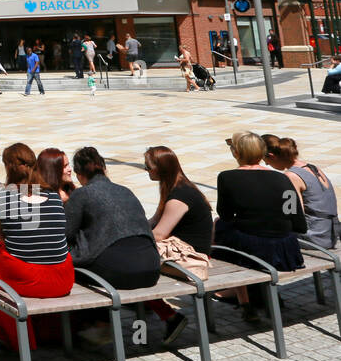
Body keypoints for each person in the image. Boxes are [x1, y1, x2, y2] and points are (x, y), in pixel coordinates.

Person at [0, 142, 75, 351]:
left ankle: (11, 336)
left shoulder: (2, 197)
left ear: (8, 167)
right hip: (63, 278)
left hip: (29, 279)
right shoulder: (53, 195)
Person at [213, 131, 306, 321]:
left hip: (251, 245)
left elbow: (226, 215)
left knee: (220, 226)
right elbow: (295, 217)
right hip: (285, 246)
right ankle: (253, 299)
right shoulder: (282, 178)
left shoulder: (227, 177)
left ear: (236, 153)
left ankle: (245, 302)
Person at [142, 146, 213, 345]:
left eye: (148, 167)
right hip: (183, 252)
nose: (146, 171)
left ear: (160, 169)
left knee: (133, 269)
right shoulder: (177, 187)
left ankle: (169, 316)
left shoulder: (179, 197)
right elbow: (154, 221)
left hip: (189, 259)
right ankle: (149, 306)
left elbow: (159, 233)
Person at [65, 146, 161, 290]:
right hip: (152, 266)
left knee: (66, 270)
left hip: (120, 270)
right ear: (104, 168)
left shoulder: (81, 194)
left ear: (79, 174)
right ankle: (156, 310)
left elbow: (65, 235)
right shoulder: (125, 191)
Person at [264, 135, 338, 249]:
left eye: (266, 161)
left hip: (315, 237)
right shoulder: (313, 168)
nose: (267, 165)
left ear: (272, 156)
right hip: (331, 233)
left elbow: (293, 212)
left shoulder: (291, 176)